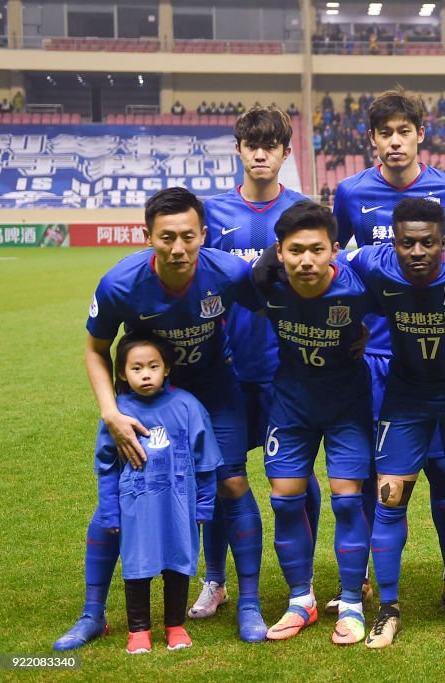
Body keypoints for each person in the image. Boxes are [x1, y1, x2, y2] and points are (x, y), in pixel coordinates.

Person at [56, 187, 265, 651]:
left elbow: (281, 304)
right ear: (147, 235)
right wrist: (111, 411)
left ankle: (249, 603)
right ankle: (93, 614)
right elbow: (95, 349)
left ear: (203, 234)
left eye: (188, 237)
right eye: (166, 237)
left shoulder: (228, 271)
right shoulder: (121, 283)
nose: (178, 248)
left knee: (231, 481)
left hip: (214, 389)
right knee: (122, 494)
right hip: (146, 400)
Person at [330, 87, 445, 617]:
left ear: (421, 134)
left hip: (440, 353)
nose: (395, 142)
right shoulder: (349, 194)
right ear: (371, 139)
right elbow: (337, 268)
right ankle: (367, 577)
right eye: (384, 134)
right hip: (375, 356)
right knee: (380, 473)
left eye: (404, 132)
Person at [343, 198, 445, 648]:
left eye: (427, 243)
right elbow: (323, 267)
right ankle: (388, 609)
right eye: (407, 242)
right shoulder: (375, 263)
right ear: (393, 241)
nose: (416, 252)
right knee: (390, 496)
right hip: (406, 396)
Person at [198, 106, 312, 626]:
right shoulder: (212, 214)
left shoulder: (304, 212)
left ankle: (305, 584)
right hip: (222, 370)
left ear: (287, 153)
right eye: (252, 143)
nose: (261, 152)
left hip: (288, 370)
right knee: (222, 476)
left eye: (272, 145)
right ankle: (215, 582)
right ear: (239, 149)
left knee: (298, 478)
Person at [251, 201, 375, 644]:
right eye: (296, 250)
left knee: (347, 499)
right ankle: (300, 601)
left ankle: (352, 603)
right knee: (285, 500)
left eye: (317, 250)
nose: (307, 260)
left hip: (347, 406)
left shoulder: (359, 286)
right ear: (279, 252)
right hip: (291, 405)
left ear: (335, 250)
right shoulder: (265, 286)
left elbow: (409, 296)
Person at [95, 332, 221, 654]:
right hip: (137, 508)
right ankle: (139, 631)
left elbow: (206, 464)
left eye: (153, 366)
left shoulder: (188, 406)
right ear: (122, 373)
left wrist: (204, 507)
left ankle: (175, 626)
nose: (146, 374)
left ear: (166, 369)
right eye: (137, 368)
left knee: (177, 563)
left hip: (179, 507)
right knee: (138, 565)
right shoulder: (117, 413)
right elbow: (107, 467)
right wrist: (110, 510)